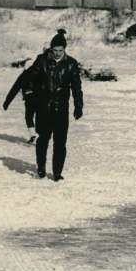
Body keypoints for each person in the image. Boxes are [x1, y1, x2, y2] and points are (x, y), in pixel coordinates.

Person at [26, 29, 84, 181]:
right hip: (43, 108)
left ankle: (57, 172)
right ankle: (41, 168)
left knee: (60, 142)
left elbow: (76, 86)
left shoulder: (71, 63)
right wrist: (30, 93)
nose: (57, 53)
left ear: (64, 49)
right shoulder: (42, 60)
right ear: (50, 49)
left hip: (61, 109)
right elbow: (30, 78)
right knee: (43, 140)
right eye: (55, 50)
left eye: (60, 50)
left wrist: (78, 105)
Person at [3, 65, 39, 143]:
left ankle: (34, 135)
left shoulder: (23, 75)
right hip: (40, 99)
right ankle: (40, 136)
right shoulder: (41, 73)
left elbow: (14, 89)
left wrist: (7, 102)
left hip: (29, 99)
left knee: (29, 117)